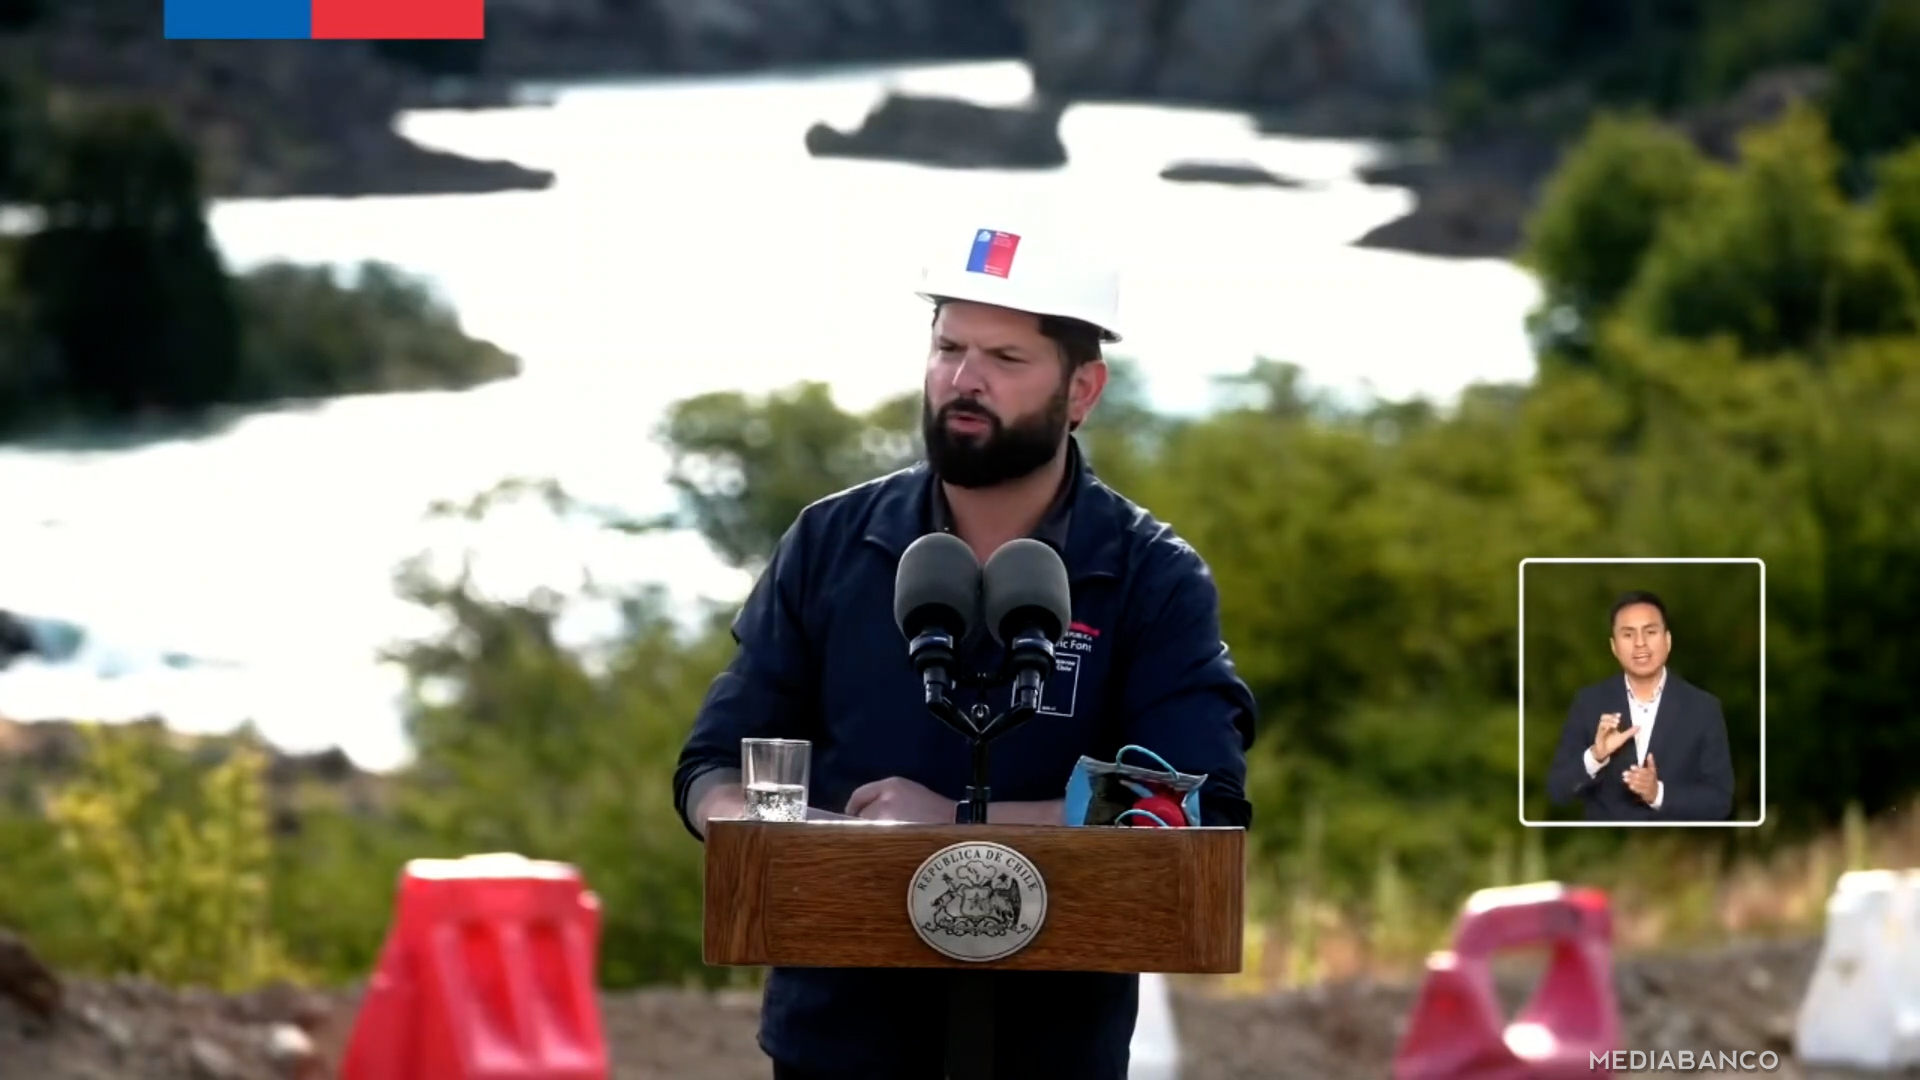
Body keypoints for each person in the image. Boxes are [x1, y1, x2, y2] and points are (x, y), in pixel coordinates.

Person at [672, 220, 1258, 1079]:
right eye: (949, 347)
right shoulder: (830, 542)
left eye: (1005, 358)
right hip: (838, 1043)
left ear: (1083, 389)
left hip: (1051, 1050)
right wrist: (787, 837)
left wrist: (954, 828)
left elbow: (1197, 805)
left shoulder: (1151, 575)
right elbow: (714, 766)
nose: (963, 379)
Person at [1546, 590, 1734, 822]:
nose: (1640, 643)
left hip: (1675, 841)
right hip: (1606, 841)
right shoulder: (1589, 702)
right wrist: (1596, 757)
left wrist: (1658, 794)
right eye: (1628, 634)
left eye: (1650, 632)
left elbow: (1719, 803)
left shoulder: (1703, 709)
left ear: (1667, 640)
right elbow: (1557, 791)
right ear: (1614, 647)